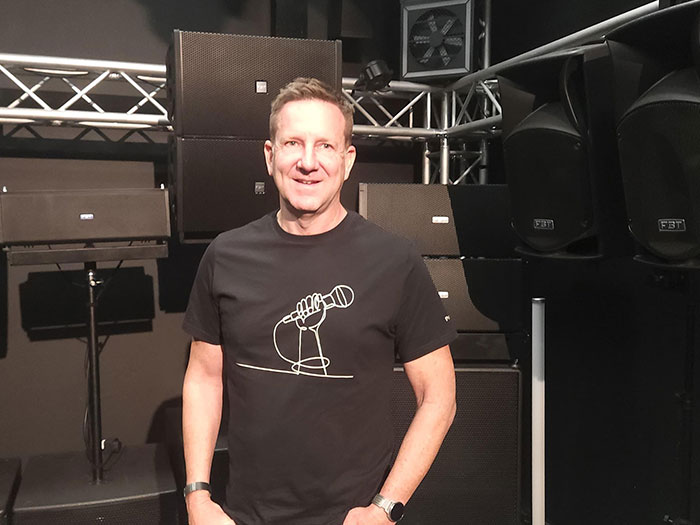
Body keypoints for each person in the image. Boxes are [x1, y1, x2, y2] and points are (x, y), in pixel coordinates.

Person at [182, 77, 457, 525]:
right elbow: (204, 378)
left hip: (352, 517)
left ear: (347, 161)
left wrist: (386, 509)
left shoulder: (394, 260)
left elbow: (439, 396)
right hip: (243, 515)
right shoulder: (225, 255)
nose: (308, 162)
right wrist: (197, 496)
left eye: (325, 146)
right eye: (293, 143)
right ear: (270, 155)